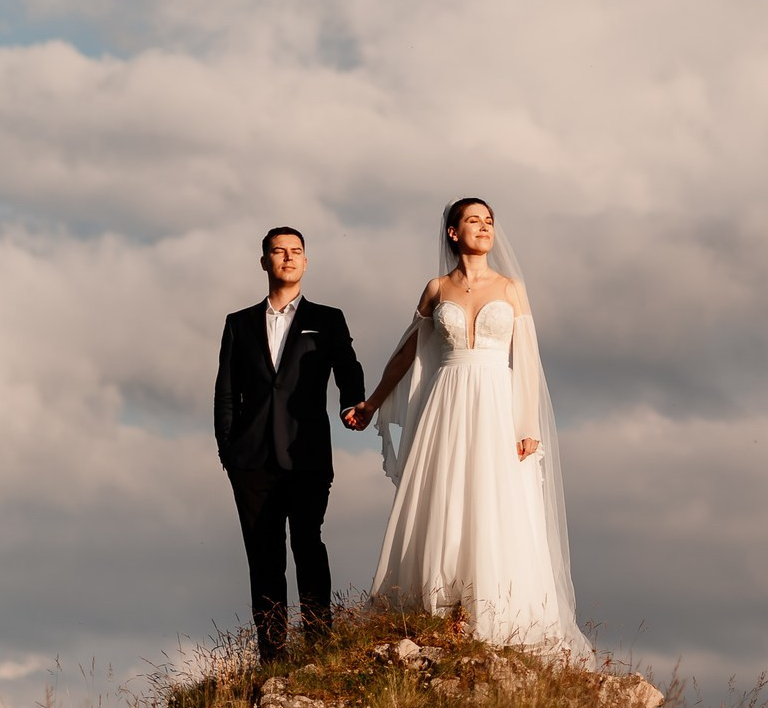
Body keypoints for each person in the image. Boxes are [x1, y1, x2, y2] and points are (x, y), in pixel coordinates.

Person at [349, 197, 589, 661]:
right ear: (454, 233)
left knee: (494, 496)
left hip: (497, 400)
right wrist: (373, 402)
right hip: (448, 399)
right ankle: (442, 605)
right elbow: (407, 352)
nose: (484, 227)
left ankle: (493, 609)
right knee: (446, 492)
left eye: (490, 221)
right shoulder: (436, 288)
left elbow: (528, 360)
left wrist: (527, 422)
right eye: (473, 221)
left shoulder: (511, 287)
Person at [212, 227, 367, 663]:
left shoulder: (327, 318)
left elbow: (347, 367)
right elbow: (226, 392)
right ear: (264, 261)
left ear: (306, 261)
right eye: (279, 251)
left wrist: (353, 403)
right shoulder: (238, 323)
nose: (288, 257)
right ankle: (272, 654)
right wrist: (229, 451)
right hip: (251, 460)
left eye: (296, 251)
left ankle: (320, 645)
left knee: (307, 543)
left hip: (307, 454)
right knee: (263, 556)